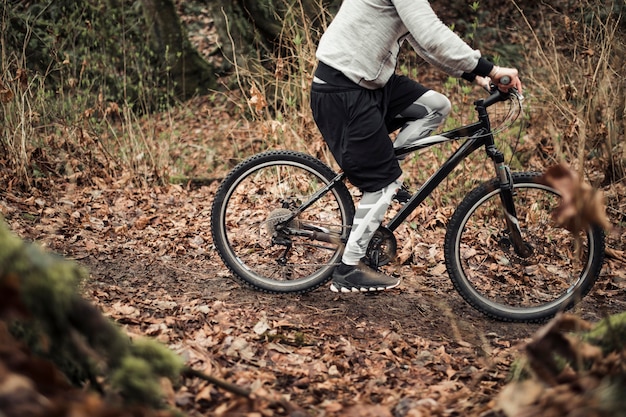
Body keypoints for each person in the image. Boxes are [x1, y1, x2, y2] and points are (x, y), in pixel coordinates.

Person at [310, 0, 523, 293]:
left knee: (435, 106)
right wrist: (492, 67)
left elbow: (424, 44)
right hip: (342, 91)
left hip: (370, 84)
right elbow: (432, 36)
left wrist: (479, 76)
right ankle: (349, 267)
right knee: (383, 183)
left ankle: (384, 173)